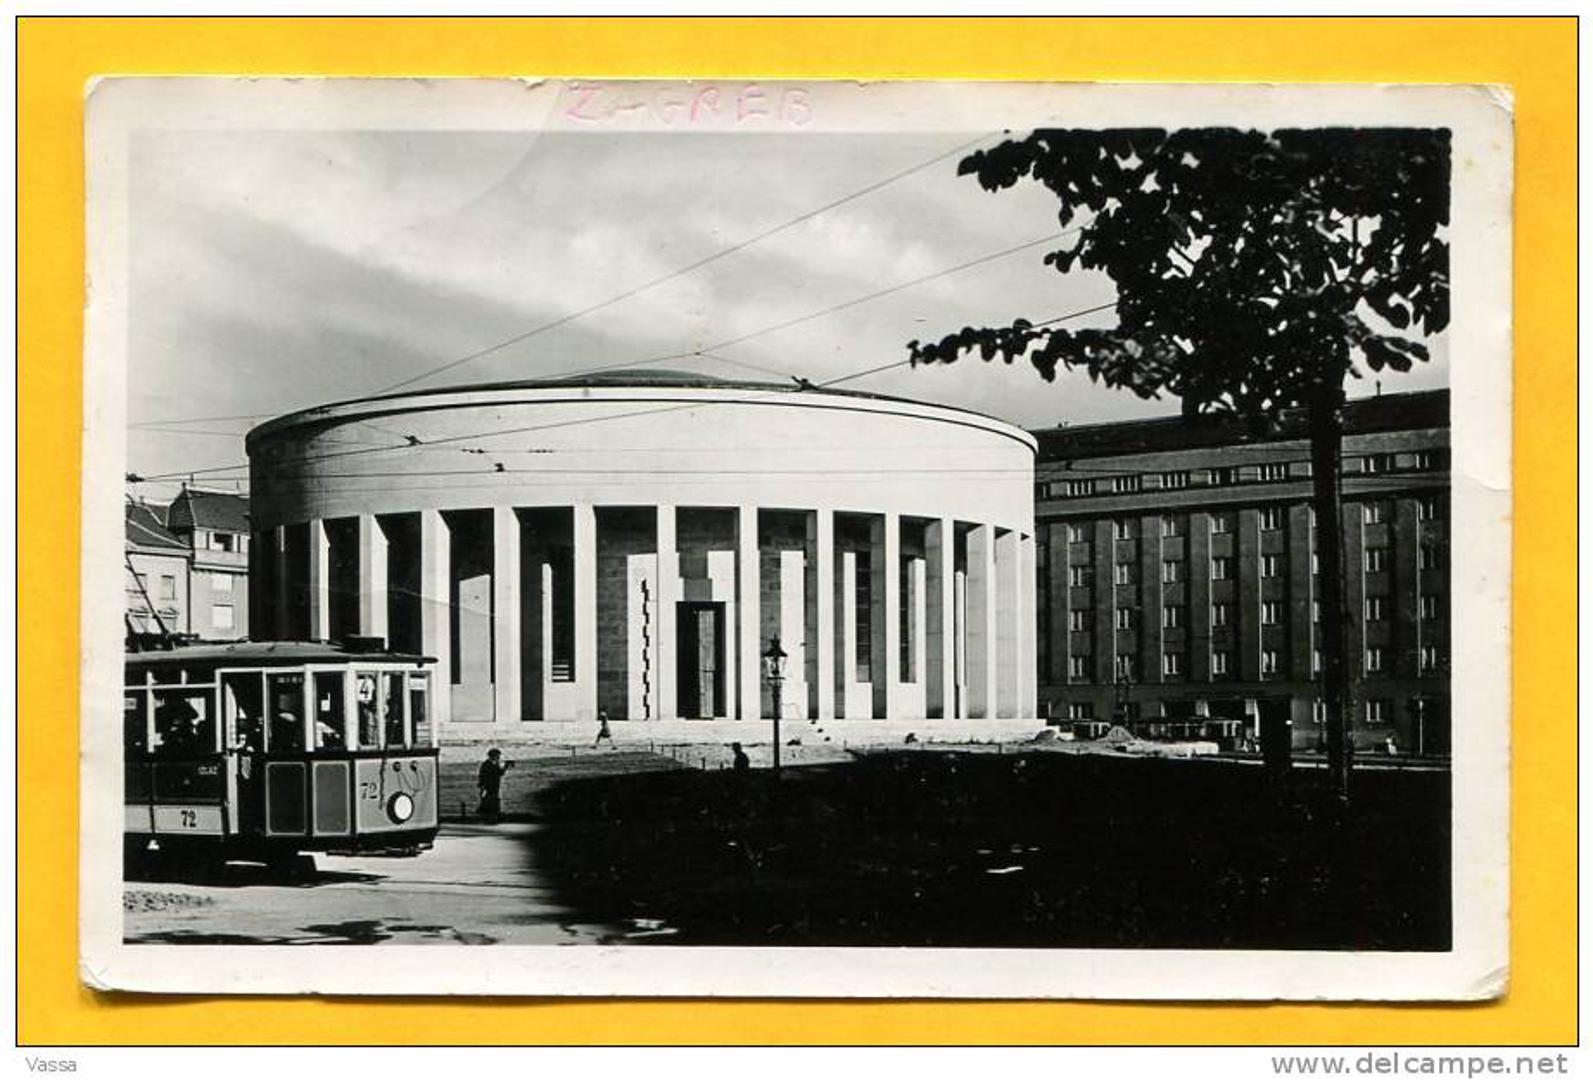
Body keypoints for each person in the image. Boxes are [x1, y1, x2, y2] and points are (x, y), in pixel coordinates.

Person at [477, 748, 513, 824]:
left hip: (493, 786)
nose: (499, 757)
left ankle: (491, 817)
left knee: (491, 800)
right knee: (491, 801)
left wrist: (505, 766)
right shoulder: (488, 764)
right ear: (493, 756)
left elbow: (499, 773)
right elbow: (499, 773)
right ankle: (490, 817)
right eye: (497, 756)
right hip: (490, 786)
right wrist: (506, 766)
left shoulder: (492, 764)